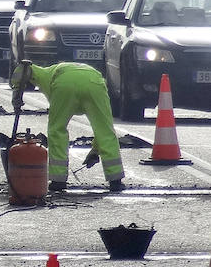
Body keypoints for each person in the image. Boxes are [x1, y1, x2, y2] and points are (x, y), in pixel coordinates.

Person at [10, 60, 125, 192]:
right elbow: (103, 130)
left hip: (65, 84)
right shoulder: (52, 71)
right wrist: (95, 151)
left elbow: (24, 68)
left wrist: (16, 95)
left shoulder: (43, 73)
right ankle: (115, 180)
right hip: (95, 82)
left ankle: (58, 181)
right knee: (105, 130)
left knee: (57, 130)